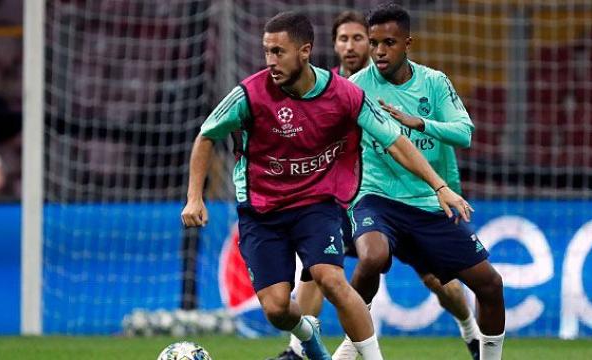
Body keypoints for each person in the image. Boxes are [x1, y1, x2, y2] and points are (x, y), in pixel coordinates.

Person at [181, 11, 473, 360]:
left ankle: (400, 348)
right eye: (267, 52)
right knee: (277, 308)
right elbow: (206, 135)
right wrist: (194, 198)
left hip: (327, 203)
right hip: (263, 210)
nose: (271, 61)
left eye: (279, 52)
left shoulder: (347, 95)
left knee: (332, 277)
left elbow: (397, 141)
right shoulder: (250, 94)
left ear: (305, 51)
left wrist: (440, 187)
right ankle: (305, 339)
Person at [271, 10, 483, 360]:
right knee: (318, 266)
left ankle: (470, 331)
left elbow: (451, 135)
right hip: (357, 198)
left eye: (360, 39)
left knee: (437, 281)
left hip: (416, 197)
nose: (356, 46)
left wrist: (440, 181)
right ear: (335, 46)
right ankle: (300, 349)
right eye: (347, 39)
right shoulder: (335, 92)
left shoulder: (420, 84)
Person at [332, 4, 506, 360]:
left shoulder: (434, 83)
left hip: (428, 203)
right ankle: (353, 346)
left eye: (389, 43)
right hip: (376, 197)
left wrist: (421, 123)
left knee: (490, 285)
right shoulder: (356, 87)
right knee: (373, 256)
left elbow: (464, 133)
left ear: (408, 43)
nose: (379, 52)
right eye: (375, 43)